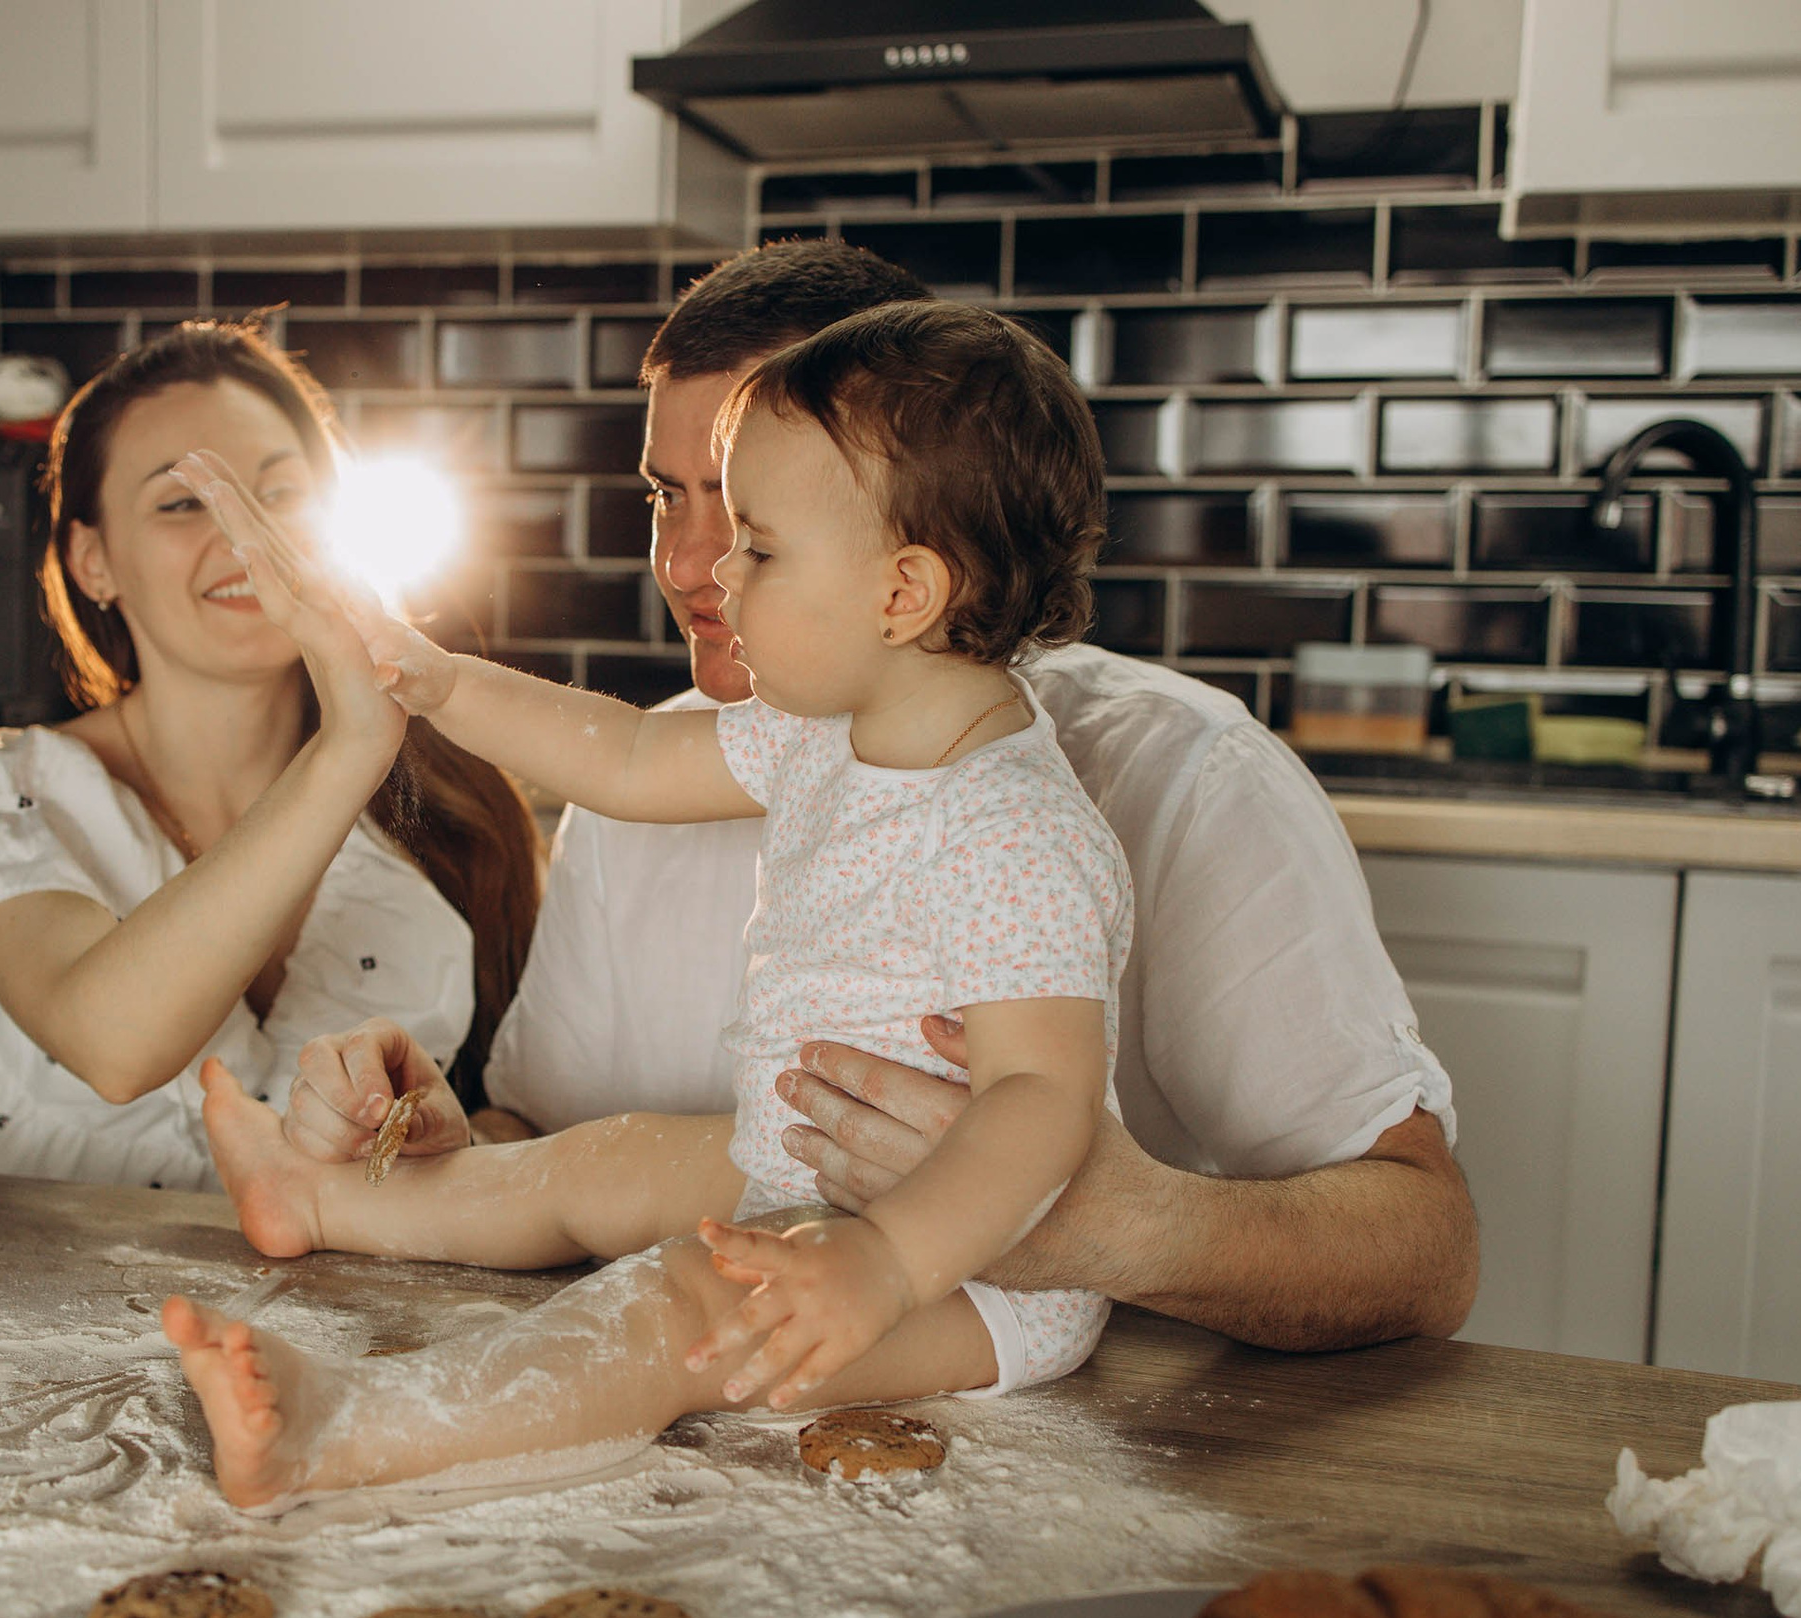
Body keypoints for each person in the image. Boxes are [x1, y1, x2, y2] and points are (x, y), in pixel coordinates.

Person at [285, 239, 1480, 1353]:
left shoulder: (1176, 779)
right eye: (668, 498)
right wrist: (436, 1152)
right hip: (719, 1412)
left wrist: (1117, 1223)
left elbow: (1428, 1250)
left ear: (912, 556)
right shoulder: (644, 779)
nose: (693, 564)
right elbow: (557, 1146)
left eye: (750, 514)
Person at [161, 300, 1127, 1506]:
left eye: (760, 549)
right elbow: (620, 758)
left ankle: (348, 1428)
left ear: (904, 593)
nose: (717, 571)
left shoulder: (1011, 830)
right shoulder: (826, 735)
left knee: (674, 1304)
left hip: (972, 1281)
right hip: (802, 1176)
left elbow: (1042, 1103)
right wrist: (436, 678)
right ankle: (315, 1195)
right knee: (597, 1163)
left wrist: (882, 1262)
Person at [0, 323, 540, 1188]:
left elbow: (522, 1109)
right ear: (92, 561)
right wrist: (349, 746)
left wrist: (453, 1143)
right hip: (31, 1278)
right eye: (183, 502)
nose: (245, 537)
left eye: (280, 492)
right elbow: (111, 1047)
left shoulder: (455, 798)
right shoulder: (7, 789)